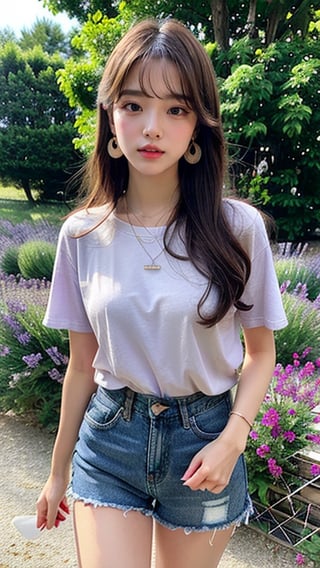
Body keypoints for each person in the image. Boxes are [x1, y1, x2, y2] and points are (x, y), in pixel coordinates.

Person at [36, 18, 287, 568]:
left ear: (198, 124)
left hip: (205, 441)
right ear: (109, 117)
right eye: (133, 105)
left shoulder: (237, 229)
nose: (152, 127)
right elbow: (82, 366)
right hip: (109, 441)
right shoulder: (81, 234)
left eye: (175, 109)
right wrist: (56, 474)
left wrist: (233, 441)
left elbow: (261, 353)